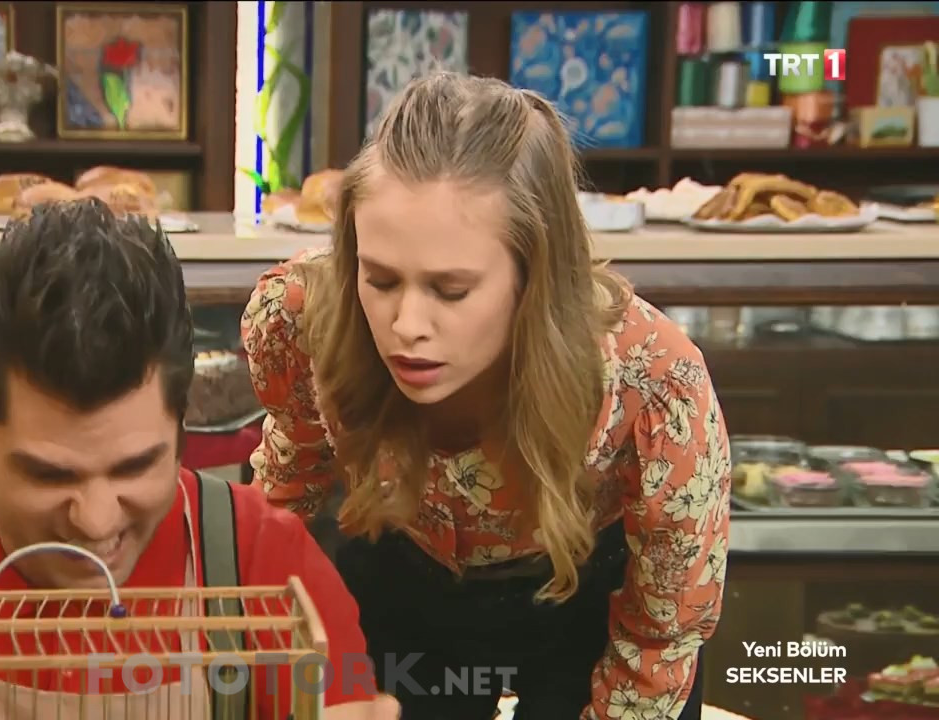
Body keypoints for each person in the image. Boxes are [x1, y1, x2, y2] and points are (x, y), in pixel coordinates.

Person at [0, 200, 400, 720]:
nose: (95, 521)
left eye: (135, 468)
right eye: (49, 474)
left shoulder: (269, 570)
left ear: (182, 417)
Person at [242, 72, 731, 720]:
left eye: (451, 291)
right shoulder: (304, 316)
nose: (407, 324)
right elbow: (288, 490)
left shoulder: (655, 384)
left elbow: (660, 635)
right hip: (401, 578)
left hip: (589, 607)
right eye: (380, 280)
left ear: (536, 275)